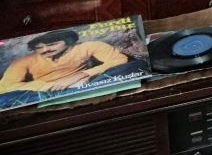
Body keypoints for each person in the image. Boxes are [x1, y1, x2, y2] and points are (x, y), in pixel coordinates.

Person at [0, 29, 145, 108]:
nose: (45, 50)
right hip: (43, 92)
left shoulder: (88, 46)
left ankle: (81, 90)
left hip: (84, 81)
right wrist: (51, 86)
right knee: (4, 98)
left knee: (135, 65)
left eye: (51, 44)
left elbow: (119, 59)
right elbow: (6, 86)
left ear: (69, 41)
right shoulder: (23, 61)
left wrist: (83, 74)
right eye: (39, 47)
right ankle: (78, 91)